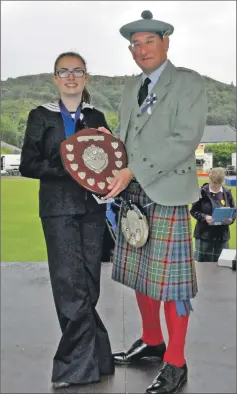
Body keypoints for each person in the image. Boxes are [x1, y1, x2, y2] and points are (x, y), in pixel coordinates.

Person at [99, 10, 208, 394]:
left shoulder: (189, 84)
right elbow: (126, 136)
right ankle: (152, 339)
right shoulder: (131, 88)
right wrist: (106, 145)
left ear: (166, 42)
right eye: (135, 44)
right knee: (142, 276)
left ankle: (175, 362)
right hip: (133, 192)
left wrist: (132, 170)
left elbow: (184, 138)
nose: (140, 49)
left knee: (173, 284)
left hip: (168, 192)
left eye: (148, 41)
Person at [19, 52, 114, 389]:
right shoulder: (41, 116)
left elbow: (110, 162)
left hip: (92, 210)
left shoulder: (96, 116)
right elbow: (29, 164)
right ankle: (76, 366)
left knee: (88, 283)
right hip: (58, 209)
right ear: (55, 78)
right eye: (64, 72)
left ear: (86, 77)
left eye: (77, 71)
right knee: (67, 283)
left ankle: (98, 355)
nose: (71, 77)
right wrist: (69, 171)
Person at [191, 167, 236, 262]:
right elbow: (194, 211)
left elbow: (234, 210)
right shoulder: (201, 192)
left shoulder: (227, 193)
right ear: (210, 179)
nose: (216, 185)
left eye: (219, 183)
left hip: (222, 237)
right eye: (214, 182)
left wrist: (231, 219)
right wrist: (205, 217)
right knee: (202, 268)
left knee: (223, 266)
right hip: (204, 236)